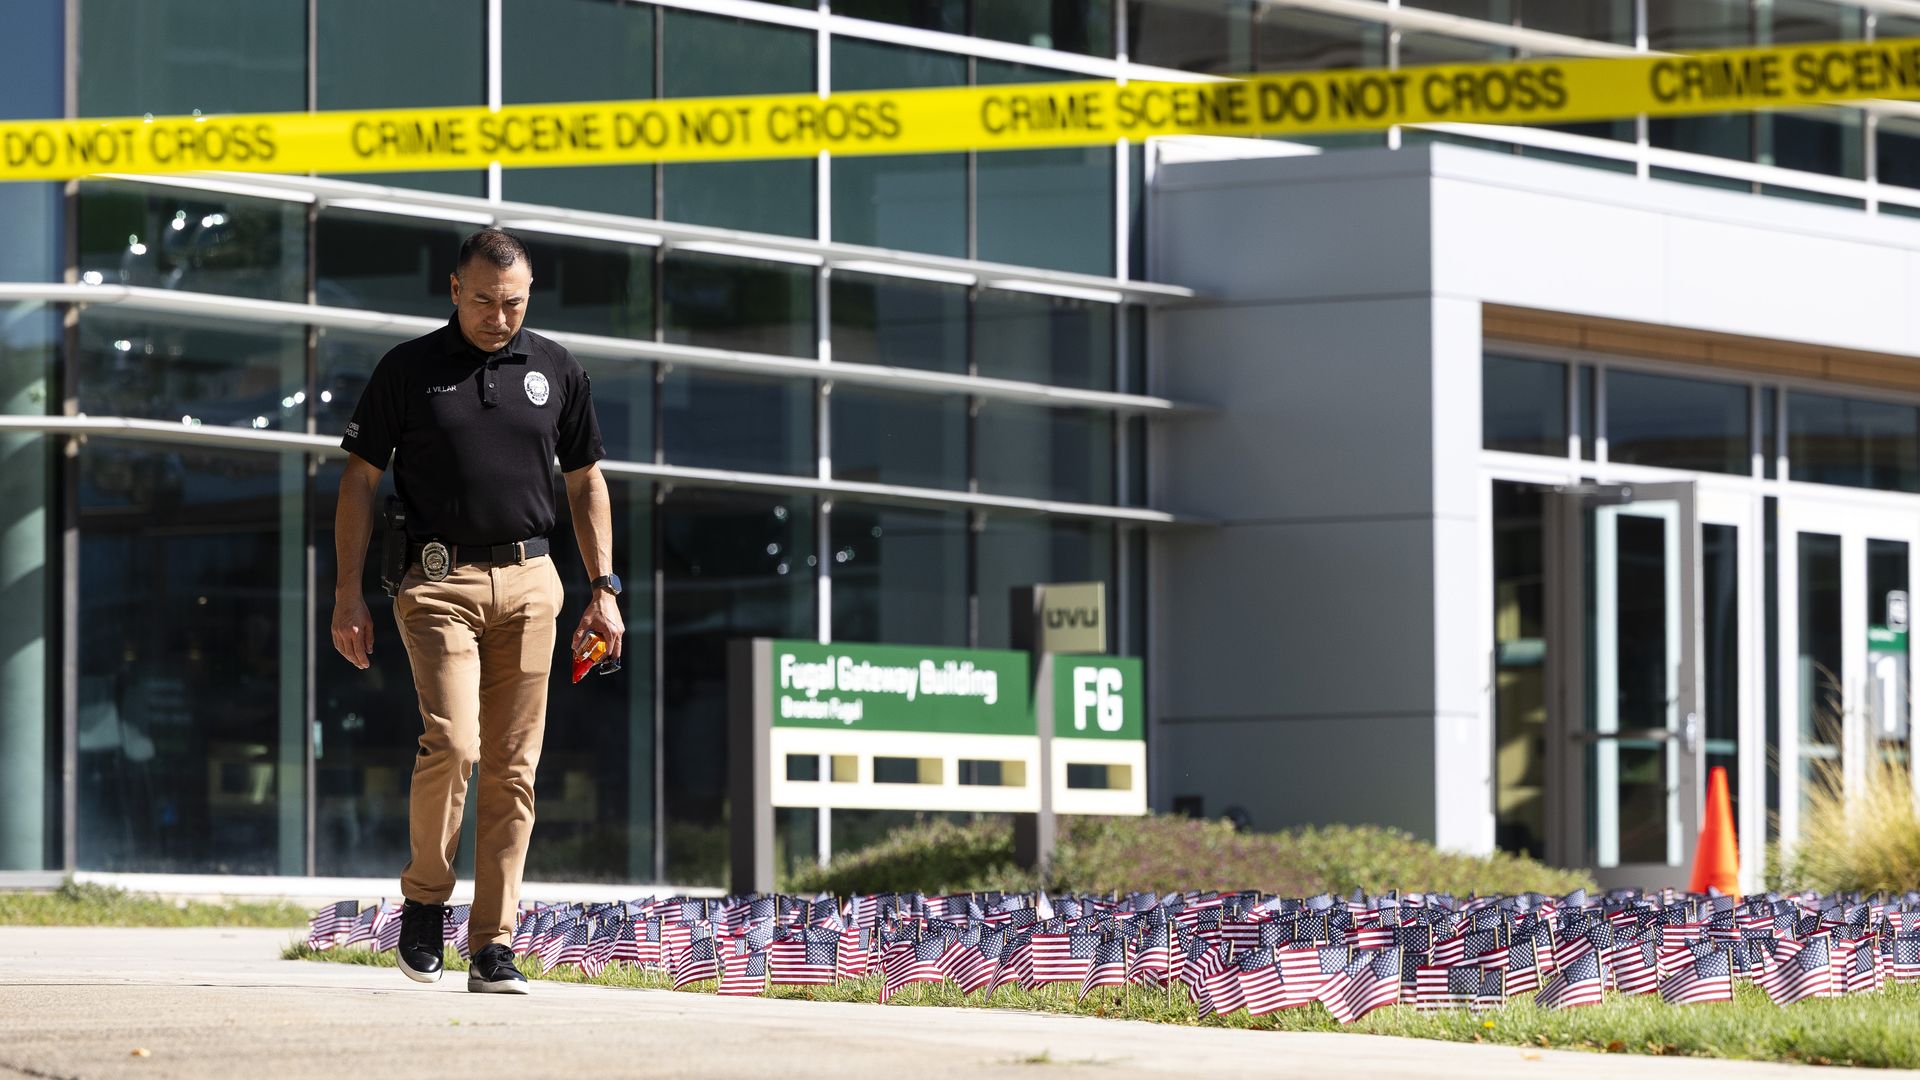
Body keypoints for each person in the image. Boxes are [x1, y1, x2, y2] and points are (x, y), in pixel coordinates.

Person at [329, 229, 625, 994]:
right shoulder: (408, 369)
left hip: (533, 583)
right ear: (455, 290)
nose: (501, 316)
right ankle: (426, 901)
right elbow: (360, 479)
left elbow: (587, 481)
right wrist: (346, 592)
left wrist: (605, 588)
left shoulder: (556, 368)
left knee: (515, 769)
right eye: (487, 300)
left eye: (515, 302)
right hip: (437, 583)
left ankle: (493, 945)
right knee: (456, 744)